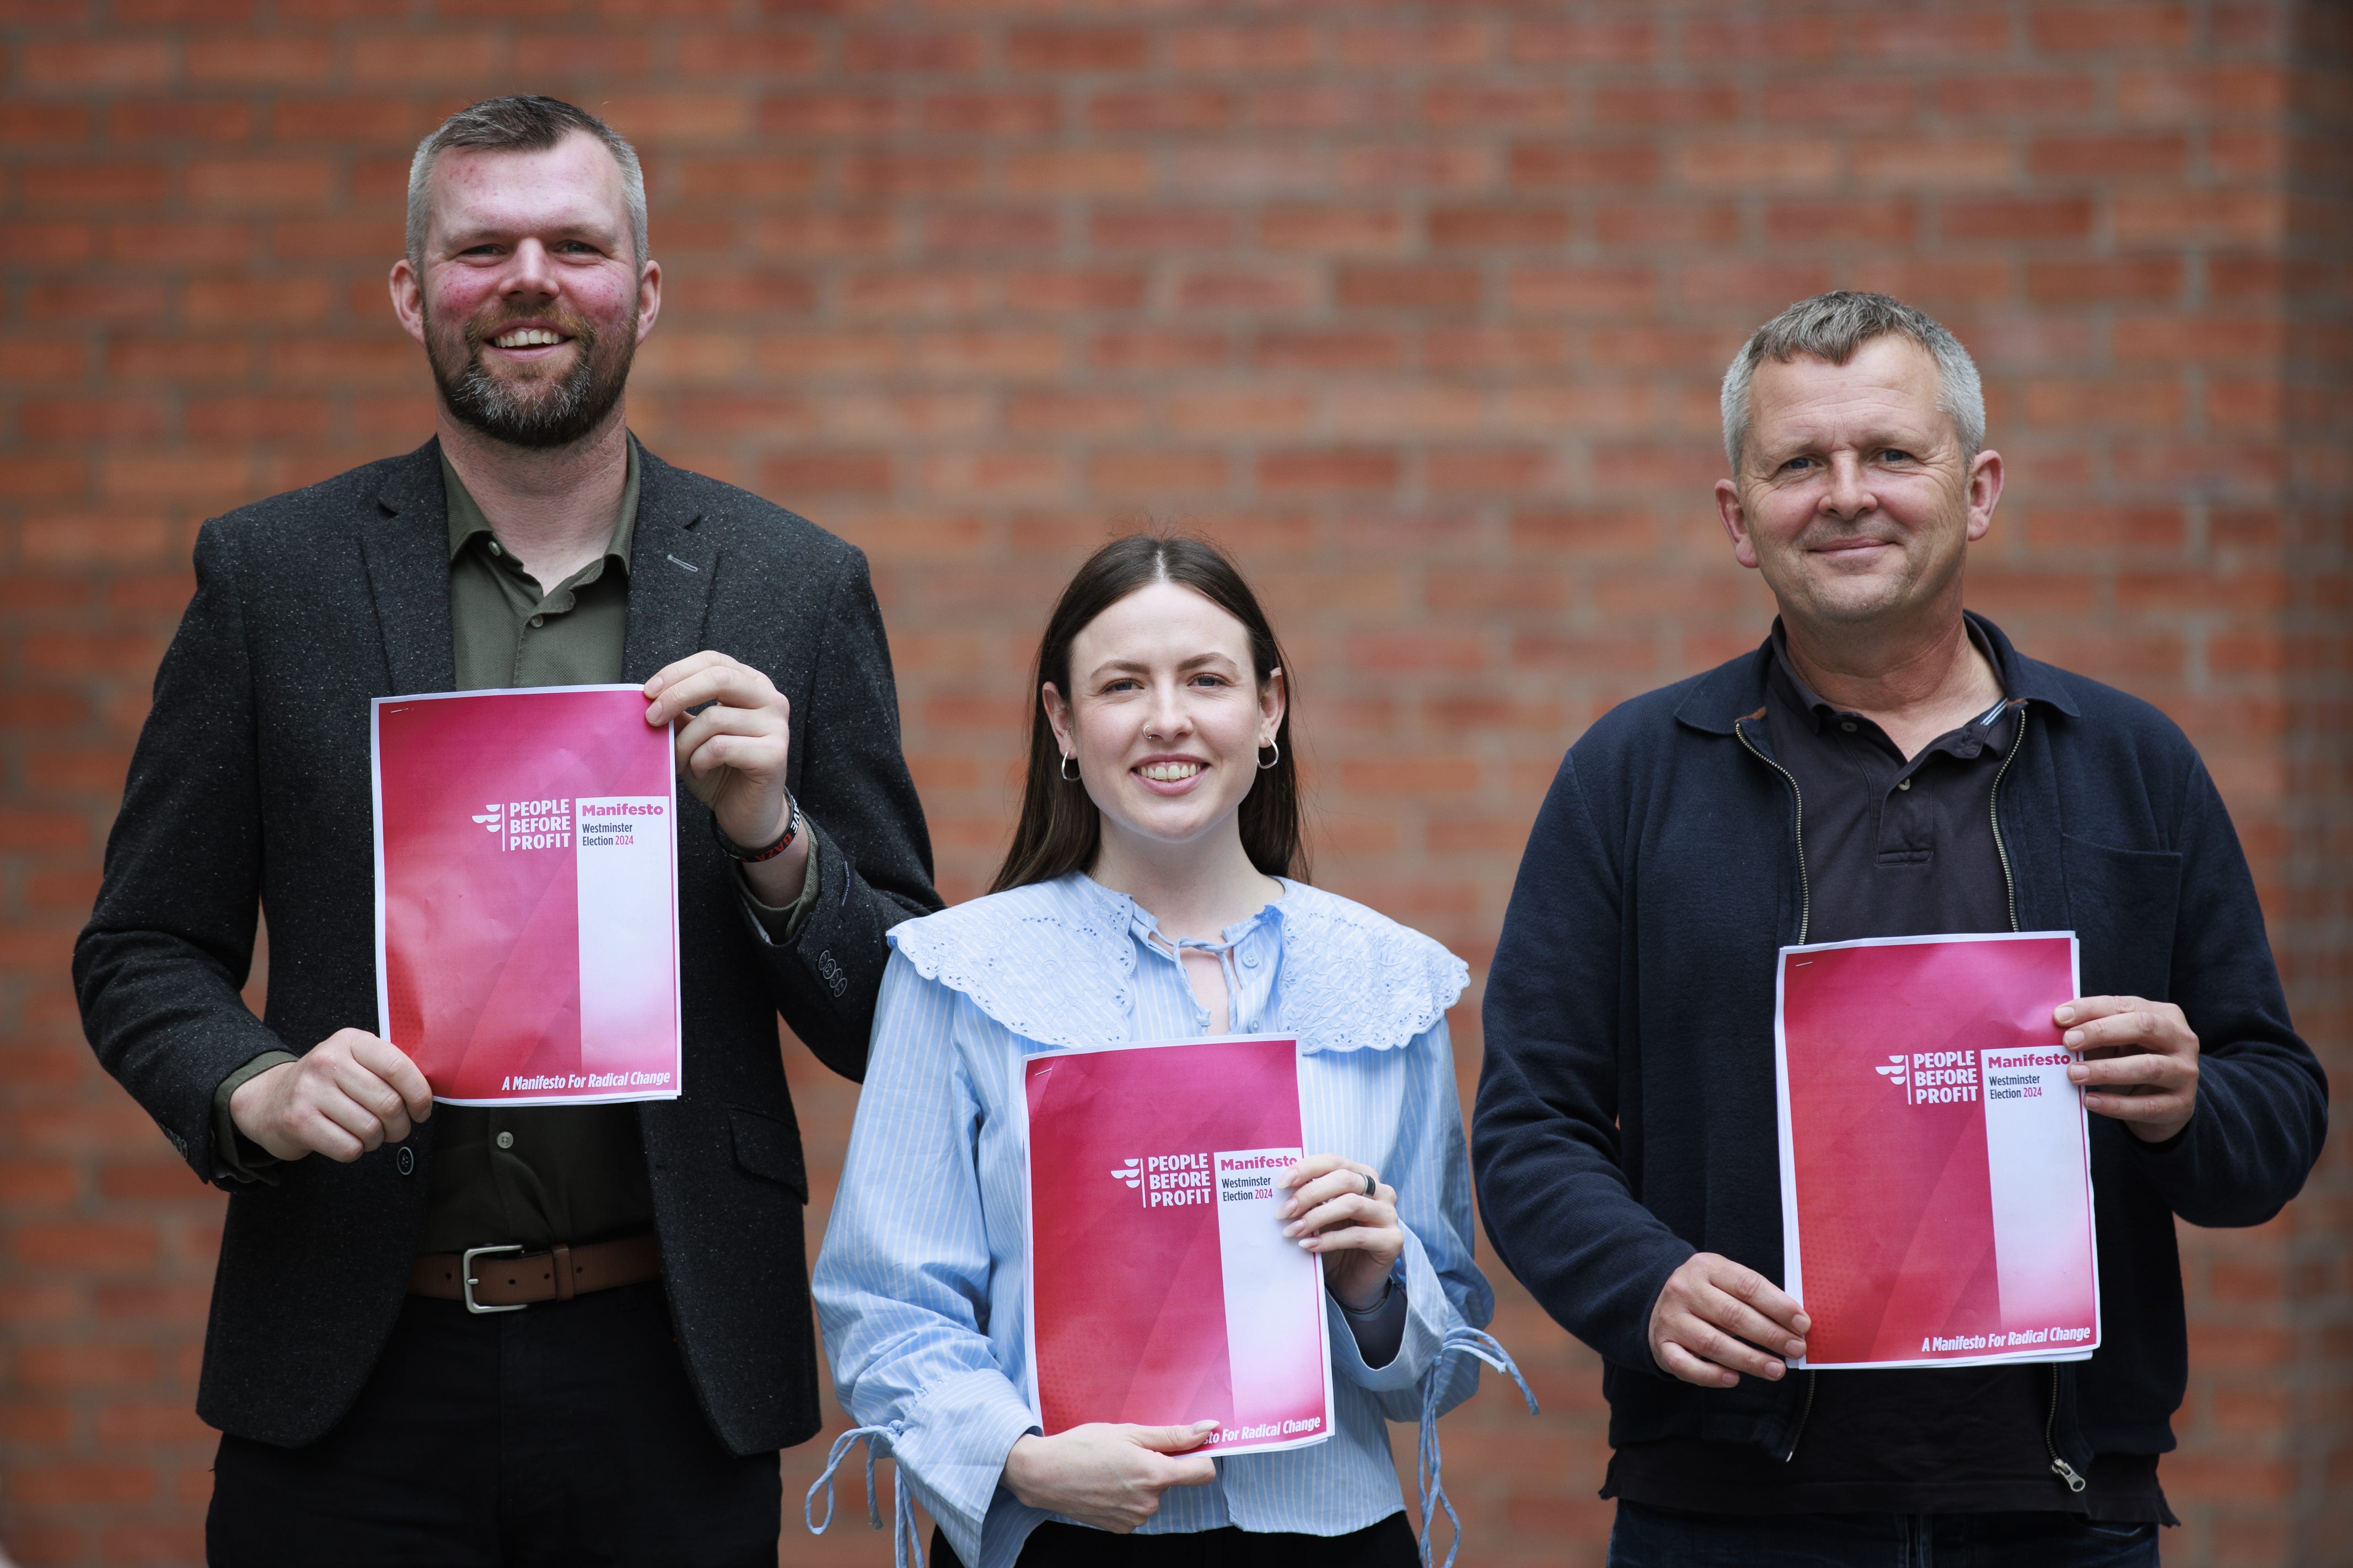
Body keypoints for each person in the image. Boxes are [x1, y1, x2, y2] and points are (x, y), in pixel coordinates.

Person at [73, 95, 938, 1564]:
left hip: (669, 1372)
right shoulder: (271, 578)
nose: (530, 278)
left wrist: (775, 837)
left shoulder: (794, 586)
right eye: (482, 247)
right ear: (414, 291)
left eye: (576, 244)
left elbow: (892, 1015)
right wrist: (258, 1086)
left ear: (642, 291)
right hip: (352, 1370)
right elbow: (143, 944)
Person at [1473, 290, 2327, 1565]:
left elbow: (2276, 1112)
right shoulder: (1631, 776)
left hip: (2055, 1514)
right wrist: (1640, 1282)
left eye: (1889, 455)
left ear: (1976, 490)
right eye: (1797, 464)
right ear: (1737, 517)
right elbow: (1528, 1127)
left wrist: (2185, 1102)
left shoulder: (2132, 766)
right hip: (1723, 1514)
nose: (1845, 493)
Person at [809, 535, 1526, 1568]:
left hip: (1329, 1538)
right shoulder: (955, 975)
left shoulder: (1387, 982)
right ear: (1064, 719)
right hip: (1062, 1533)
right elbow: (885, 1303)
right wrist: (1020, 1459)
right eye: (1121, 684)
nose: (1168, 718)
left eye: (1206, 678)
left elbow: (1438, 1368)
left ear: (1268, 707)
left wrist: (1379, 1283)